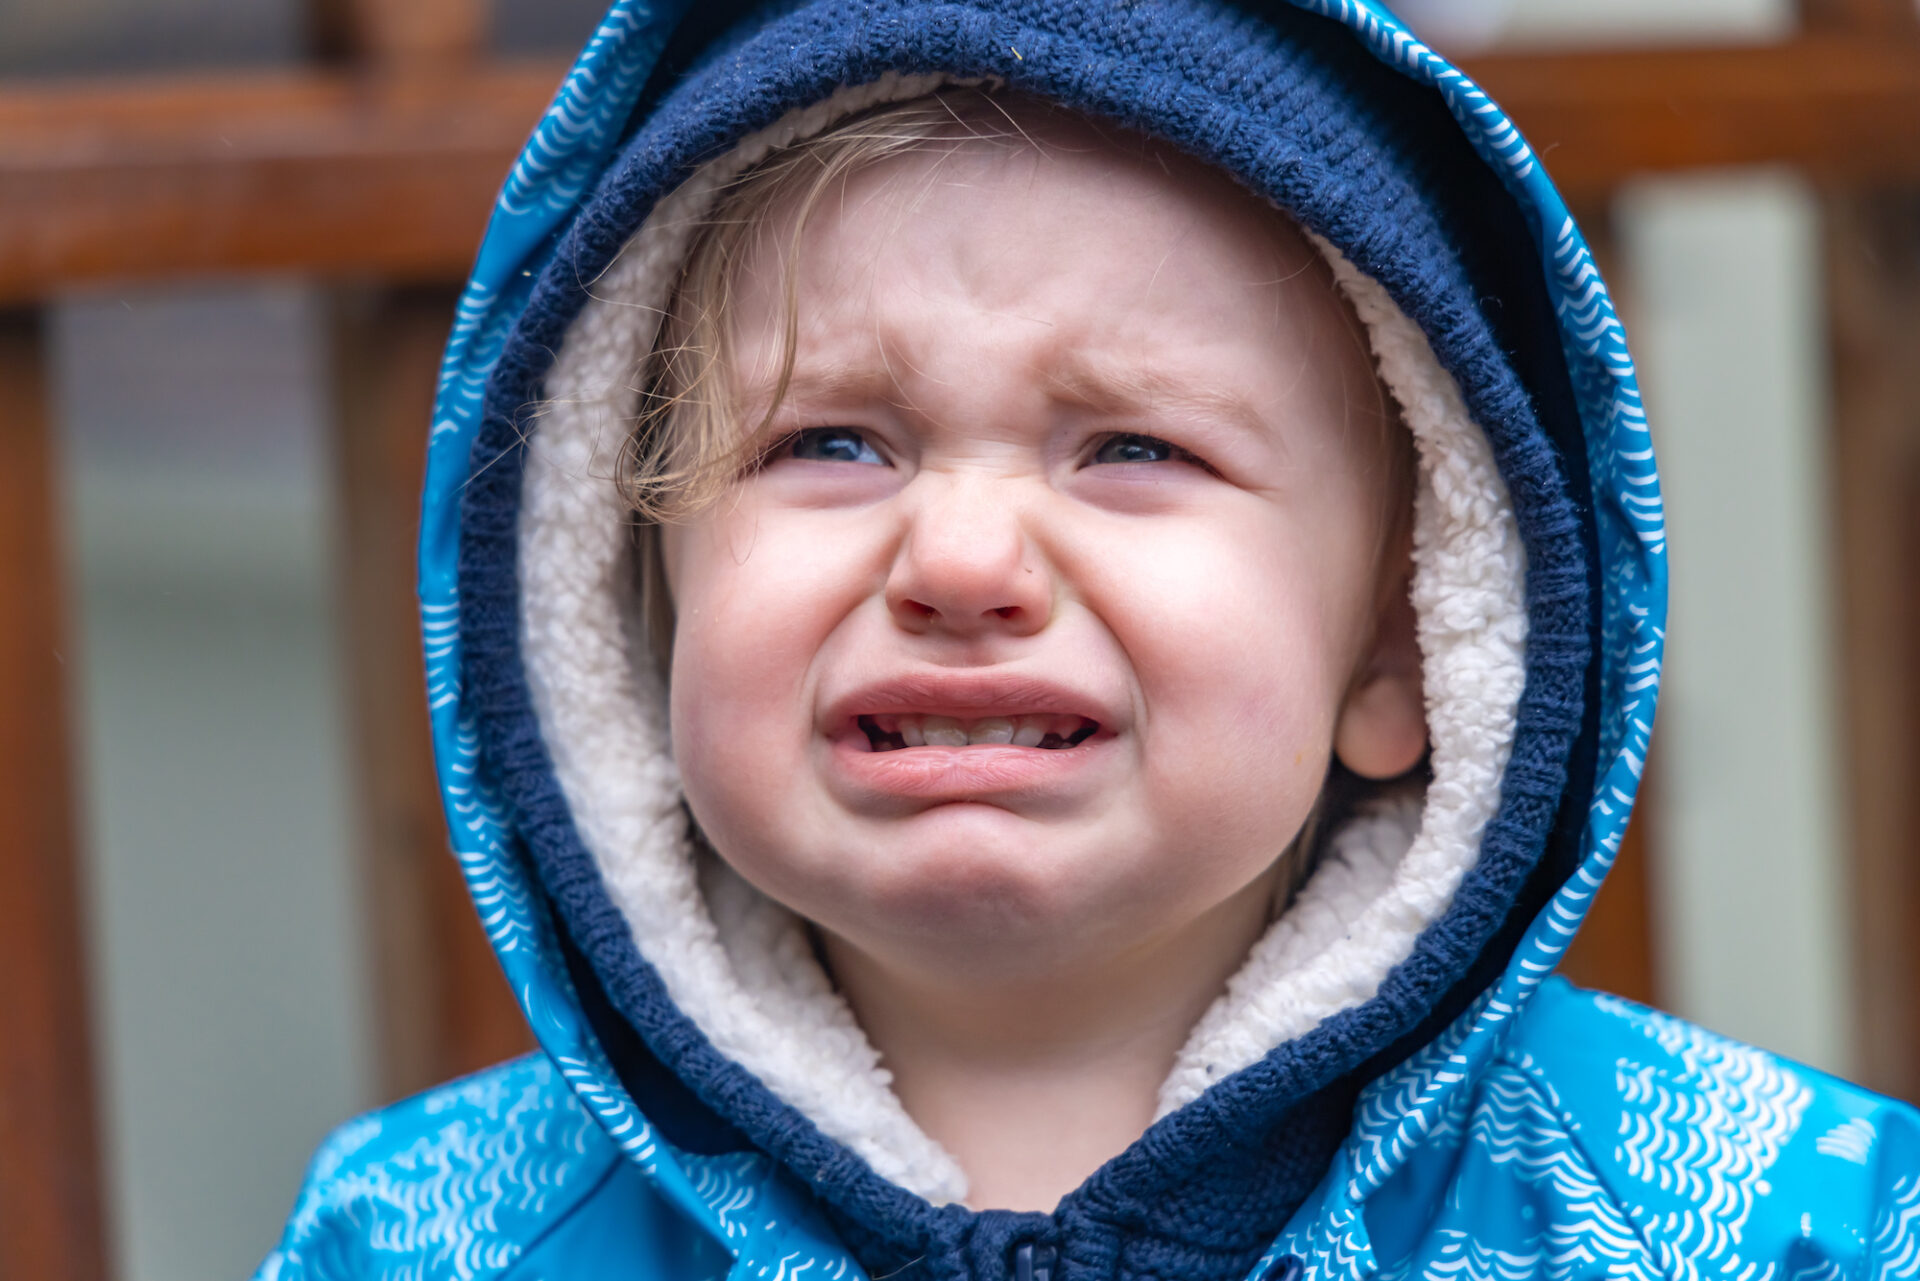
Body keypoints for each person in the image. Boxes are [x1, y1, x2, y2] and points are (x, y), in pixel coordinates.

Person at [257, 2, 1919, 1279]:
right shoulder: (430, 1236)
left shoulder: (1753, 1218)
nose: (964, 558)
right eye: (832, 442)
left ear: (1411, 641)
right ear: (630, 601)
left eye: (1134, 449)